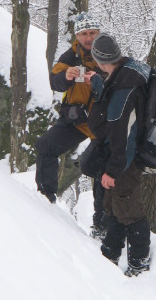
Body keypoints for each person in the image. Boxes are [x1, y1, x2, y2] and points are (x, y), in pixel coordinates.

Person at [87, 32, 151, 276]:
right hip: (124, 159)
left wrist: (113, 170)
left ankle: (139, 265)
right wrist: (98, 84)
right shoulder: (125, 73)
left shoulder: (123, 93)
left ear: (102, 62)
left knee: (130, 211)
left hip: (126, 161)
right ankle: (110, 254)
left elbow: (121, 135)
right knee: (115, 206)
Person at [35, 13, 107, 230]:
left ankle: (101, 223)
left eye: (92, 33)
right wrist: (66, 76)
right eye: (84, 34)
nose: (88, 38)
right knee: (45, 146)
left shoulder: (107, 53)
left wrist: (97, 79)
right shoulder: (70, 56)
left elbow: (119, 79)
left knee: (101, 169)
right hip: (75, 119)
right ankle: (45, 198)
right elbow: (54, 81)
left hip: (102, 123)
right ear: (78, 35)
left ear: (98, 34)